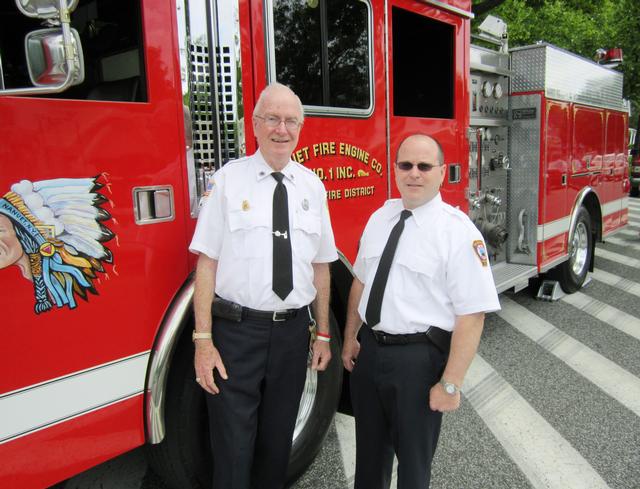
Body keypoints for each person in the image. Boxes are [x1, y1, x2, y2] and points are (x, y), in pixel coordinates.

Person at [189, 82, 338, 489]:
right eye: (272, 118)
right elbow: (207, 263)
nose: (282, 129)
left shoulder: (313, 187)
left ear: (301, 128)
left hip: (293, 334)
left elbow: (322, 267)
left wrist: (323, 334)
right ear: (254, 124)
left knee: (277, 448)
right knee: (233, 450)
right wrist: (204, 342)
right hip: (238, 334)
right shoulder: (227, 182)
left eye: (291, 121)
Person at [341, 133, 501, 489]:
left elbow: (472, 315)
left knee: (413, 469)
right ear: (395, 170)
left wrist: (450, 383)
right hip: (370, 353)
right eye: (406, 165)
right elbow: (360, 282)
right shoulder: (381, 218)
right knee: (368, 459)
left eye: (424, 166)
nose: (414, 173)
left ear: (442, 172)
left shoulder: (457, 232)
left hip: (418, 361)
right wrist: (351, 336)